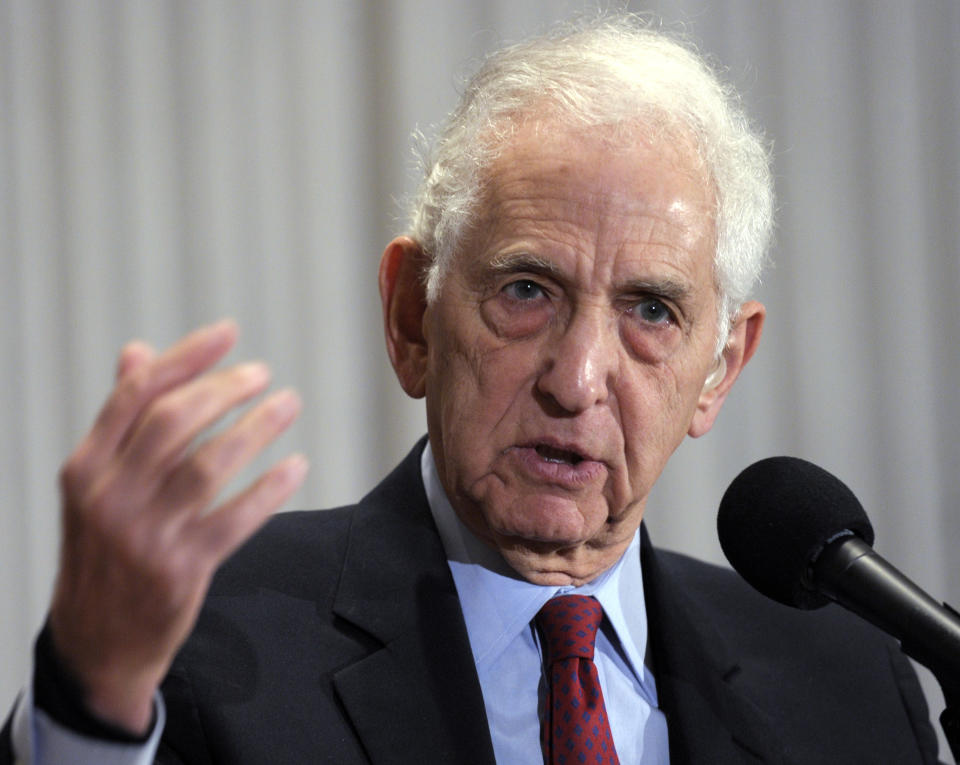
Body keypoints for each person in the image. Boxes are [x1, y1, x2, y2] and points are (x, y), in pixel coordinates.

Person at [0, 14, 941, 765]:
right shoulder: (200, 640)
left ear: (720, 369)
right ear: (412, 317)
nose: (577, 382)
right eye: (526, 291)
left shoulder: (850, 685)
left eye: (650, 310)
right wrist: (95, 701)